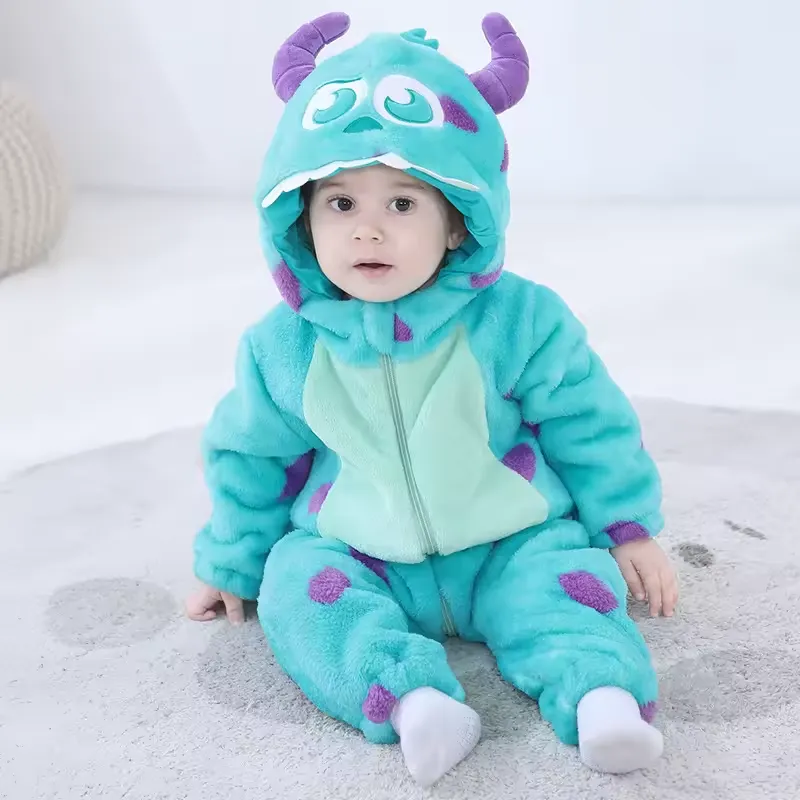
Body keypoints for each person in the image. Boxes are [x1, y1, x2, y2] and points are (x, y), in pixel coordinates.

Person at [186, 12, 679, 787]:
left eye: (402, 205)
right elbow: (250, 457)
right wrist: (232, 559)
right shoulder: (282, 346)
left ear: (457, 222)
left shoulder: (520, 320)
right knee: (298, 588)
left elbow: (591, 422)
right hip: (359, 549)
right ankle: (413, 701)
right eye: (340, 205)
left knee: (566, 583)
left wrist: (627, 526)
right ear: (299, 221)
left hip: (509, 537)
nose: (368, 232)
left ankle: (602, 698)